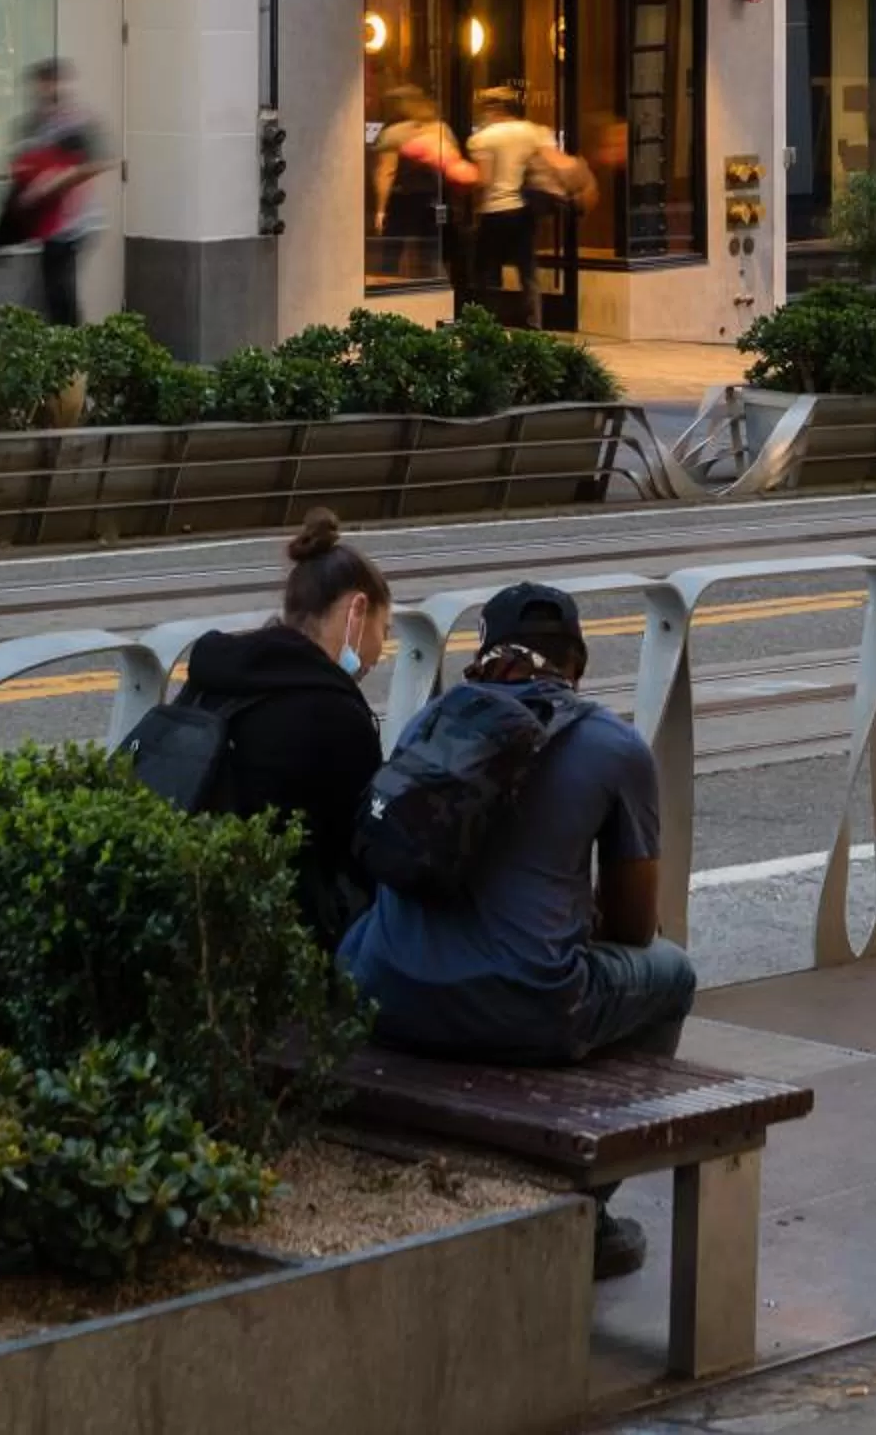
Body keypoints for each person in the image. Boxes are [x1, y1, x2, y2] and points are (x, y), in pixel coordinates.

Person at [343, 581, 696, 1279]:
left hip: (386, 992)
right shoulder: (612, 744)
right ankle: (588, 1209)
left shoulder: (430, 722)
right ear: (578, 665)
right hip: (525, 1009)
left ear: (482, 656)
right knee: (672, 976)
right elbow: (634, 927)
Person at [186, 512, 391, 952]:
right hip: (277, 931)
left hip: (191, 900)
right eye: (384, 629)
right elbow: (363, 851)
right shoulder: (336, 714)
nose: (382, 651)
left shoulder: (218, 672)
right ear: (357, 610)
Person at [0, 58, 111, 326]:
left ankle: (68, 341)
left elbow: (94, 163)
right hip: (50, 223)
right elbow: (21, 169)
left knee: (59, 290)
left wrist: (53, 182)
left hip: (72, 221)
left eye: (50, 83)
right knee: (51, 290)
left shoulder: (75, 123)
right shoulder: (33, 124)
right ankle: (60, 337)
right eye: (43, 83)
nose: (45, 89)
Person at [464, 85, 556, 328]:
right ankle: (534, 321)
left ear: (493, 108)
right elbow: (549, 166)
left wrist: (472, 207)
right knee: (527, 269)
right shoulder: (534, 132)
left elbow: (484, 180)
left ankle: (487, 321)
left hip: (494, 209)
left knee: (486, 269)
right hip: (523, 209)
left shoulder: (484, 138)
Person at [370, 85, 475, 283]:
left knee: (392, 253)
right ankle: (437, 290)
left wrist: (380, 209)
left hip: (402, 198)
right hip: (435, 197)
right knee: (431, 253)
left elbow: (386, 172)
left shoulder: (394, 132)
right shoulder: (442, 129)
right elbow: (454, 165)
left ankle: (388, 294)